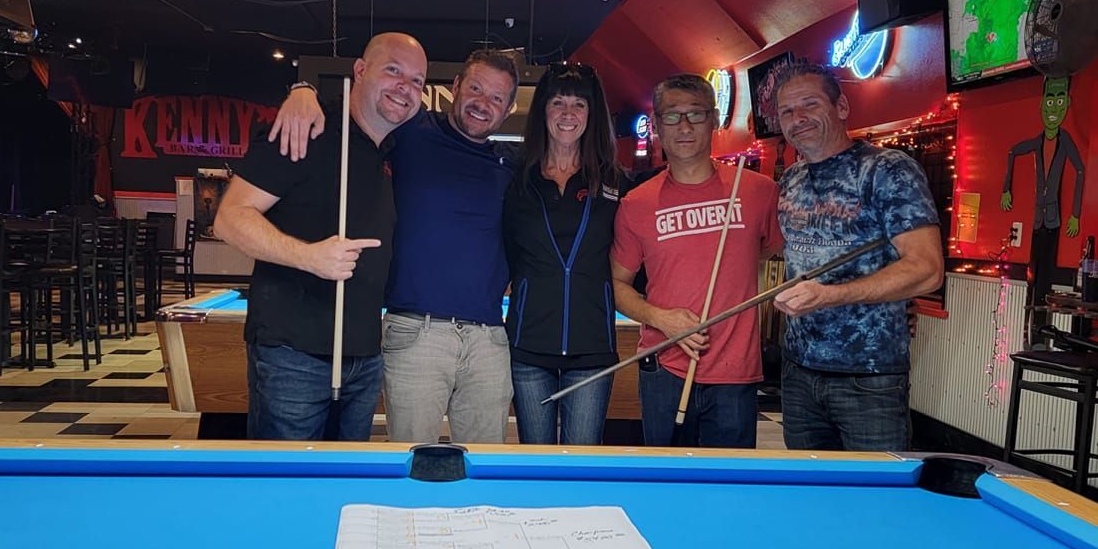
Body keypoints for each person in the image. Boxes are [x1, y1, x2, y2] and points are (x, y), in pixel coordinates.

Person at [271, 49, 519, 444]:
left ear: (508, 109)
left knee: (485, 462)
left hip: (488, 338)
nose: (482, 103)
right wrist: (303, 90)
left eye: (496, 97)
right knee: (413, 459)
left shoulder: (512, 166)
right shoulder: (410, 131)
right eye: (475, 89)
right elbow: (362, 104)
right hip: (416, 331)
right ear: (455, 86)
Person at [214, 32, 426, 441]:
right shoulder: (306, 130)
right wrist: (309, 257)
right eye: (393, 70)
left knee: (345, 477)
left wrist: (302, 88)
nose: (405, 87)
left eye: (416, 81)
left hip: (363, 357)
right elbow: (230, 218)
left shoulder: (390, 150)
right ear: (360, 71)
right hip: (295, 356)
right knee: (287, 478)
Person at [770, 61, 944, 452]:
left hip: (868, 376)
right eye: (787, 111)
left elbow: (927, 269)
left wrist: (831, 295)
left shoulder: (887, 169)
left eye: (810, 104)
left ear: (842, 107)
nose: (798, 118)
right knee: (809, 486)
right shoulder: (791, 180)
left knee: (874, 489)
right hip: (798, 371)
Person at [611, 73, 781, 448]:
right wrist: (662, 318)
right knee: (666, 479)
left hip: (735, 373)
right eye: (672, 116)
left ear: (714, 119)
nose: (684, 126)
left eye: (696, 114)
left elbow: (774, 251)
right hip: (664, 368)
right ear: (656, 125)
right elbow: (617, 286)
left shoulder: (757, 191)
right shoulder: (636, 204)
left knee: (730, 481)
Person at [504, 62, 627, 445]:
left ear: (592, 114)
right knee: (535, 462)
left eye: (579, 104)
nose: (568, 113)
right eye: (558, 102)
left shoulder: (615, 181)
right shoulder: (517, 178)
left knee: (581, 464)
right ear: (543, 110)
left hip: (592, 349)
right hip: (528, 346)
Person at [1001, 75, 1084, 327]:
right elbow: (1012, 150)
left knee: (1046, 274)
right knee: (1033, 275)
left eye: (1060, 101)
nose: (1053, 108)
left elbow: (1080, 170)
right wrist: (1006, 189)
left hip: (1054, 217)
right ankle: (1032, 328)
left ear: (1067, 103)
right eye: (1049, 101)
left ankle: (1039, 328)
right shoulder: (1037, 141)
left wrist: (1075, 214)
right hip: (1038, 218)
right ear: (1041, 105)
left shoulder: (1065, 139)